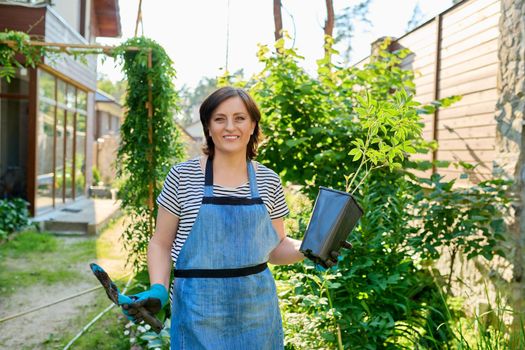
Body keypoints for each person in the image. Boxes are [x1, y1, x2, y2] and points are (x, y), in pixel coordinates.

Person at [119, 86, 338, 349]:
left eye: (240, 118)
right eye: (219, 119)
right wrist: (158, 289)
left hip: (257, 316)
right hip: (197, 314)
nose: (229, 127)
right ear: (208, 127)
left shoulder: (268, 181)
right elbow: (161, 243)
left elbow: (276, 248)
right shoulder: (182, 176)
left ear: (253, 125)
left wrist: (311, 247)